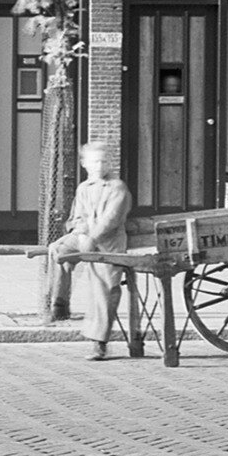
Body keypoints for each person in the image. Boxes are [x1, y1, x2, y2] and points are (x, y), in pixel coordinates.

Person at [43, 140, 136, 359]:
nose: (99, 166)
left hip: (109, 244)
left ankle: (99, 343)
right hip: (84, 238)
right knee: (58, 249)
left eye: (103, 161)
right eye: (94, 162)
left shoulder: (117, 188)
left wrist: (92, 238)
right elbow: (78, 217)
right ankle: (60, 303)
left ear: (109, 163)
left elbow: (111, 219)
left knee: (104, 289)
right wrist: (82, 233)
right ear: (85, 164)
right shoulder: (84, 188)